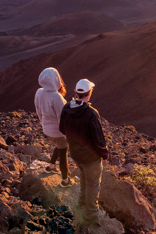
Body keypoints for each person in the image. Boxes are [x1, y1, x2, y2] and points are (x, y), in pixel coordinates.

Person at [59, 78, 109, 224]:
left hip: (75, 154)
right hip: (90, 158)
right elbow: (98, 139)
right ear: (89, 93)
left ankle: (81, 204)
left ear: (76, 93)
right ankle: (91, 215)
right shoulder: (91, 113)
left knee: (84, 178)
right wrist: (104, 154)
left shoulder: (67, 108)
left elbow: (62, 129)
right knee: (93, 183)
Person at [34, 67, 75, 187]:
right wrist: (67, 135)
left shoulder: (39, 92)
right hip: (58, 132)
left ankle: (50, 166)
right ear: (56, 79)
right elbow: (62, 120)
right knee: (63, 154)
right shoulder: (57, 98)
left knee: (59, 145)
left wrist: (43, 124)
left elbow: (38, 111)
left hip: (47, 129)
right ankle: (65, 180)